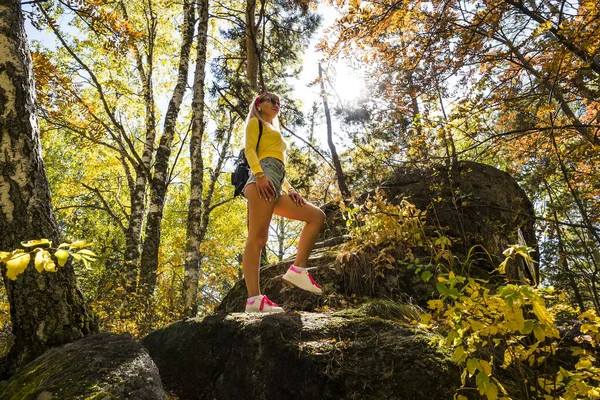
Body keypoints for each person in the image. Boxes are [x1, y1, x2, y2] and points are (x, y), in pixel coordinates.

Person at [242, 92, 326, 313]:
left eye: (279, 102)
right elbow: (249, 150)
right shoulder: (254, 122)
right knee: (258, 238)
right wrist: (259, 176)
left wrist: (291, 190)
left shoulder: (274, 129)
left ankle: (298, 271)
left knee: (316, 216)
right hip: (262, 179)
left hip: (275, 182)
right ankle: (254, 300)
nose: (276, 104)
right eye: (271, 101)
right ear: (259, 105)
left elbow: (277, 164)